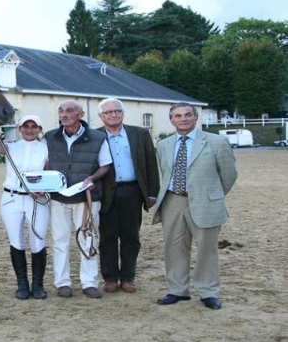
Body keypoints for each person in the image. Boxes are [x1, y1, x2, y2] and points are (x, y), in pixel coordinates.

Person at [152, 102, 237, 310]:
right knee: (174, 247)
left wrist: (211, 196)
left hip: (205, 203)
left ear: (195, 117)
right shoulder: (164, 145)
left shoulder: (217, 142)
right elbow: (165, 173)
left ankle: (208, 292)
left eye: (187, 115)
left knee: (206, 249)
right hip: (173, 201)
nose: (183, 119)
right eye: (178, 116)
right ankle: (177, 290)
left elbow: (229, 175)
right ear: (172, 120)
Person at [45, 100, 112, 299]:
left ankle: (89, 282)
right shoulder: (50, 137)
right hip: (59, 198)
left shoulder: (98, 138)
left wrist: (92, 178)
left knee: (88, 239)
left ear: (80, 114)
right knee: (60, 241)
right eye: (61, 111)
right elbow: (46, 163)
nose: (64, 114)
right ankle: (62, 282)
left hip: (86, 198)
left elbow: (105, 165)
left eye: (70, 110)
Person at [97, 98, 160, 294]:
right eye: (108, 112)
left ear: (122, 113)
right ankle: (110, 278)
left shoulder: (139, 134)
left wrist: (152, 193)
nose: (113, 115)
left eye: (117, 111)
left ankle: (128, 277)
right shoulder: (95, 136)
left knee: (131, 236)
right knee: (107, 236)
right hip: (107, 193)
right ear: (101, 116)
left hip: (133, 191)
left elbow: (150, 164)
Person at [0, 115, 51, 300]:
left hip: (36, 199)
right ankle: (22, 284)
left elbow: (49, 172)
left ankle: (38, 284)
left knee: (38, 239)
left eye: (33, 126)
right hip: (11, 198)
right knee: (16, 241)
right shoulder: (11, 145)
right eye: (26, 126)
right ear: (20, 128)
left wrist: (43, 188)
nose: (29, 130)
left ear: (39, 129)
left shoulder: (45, 148)